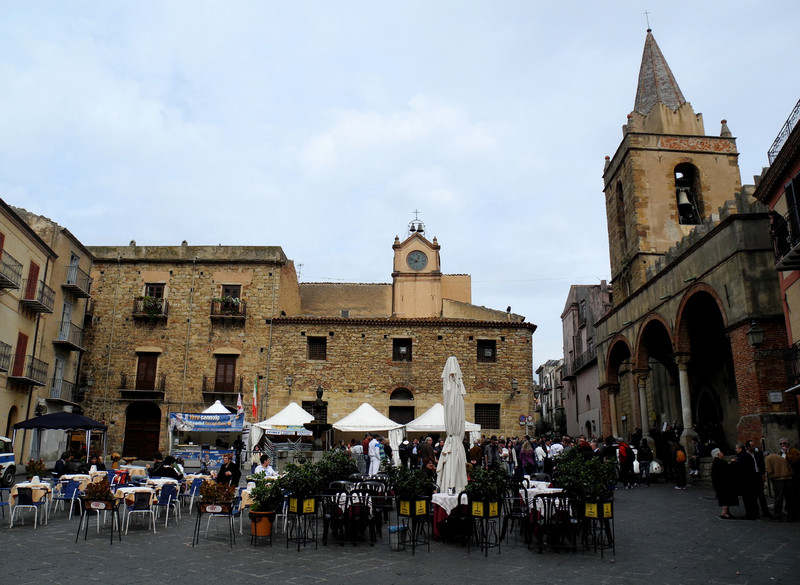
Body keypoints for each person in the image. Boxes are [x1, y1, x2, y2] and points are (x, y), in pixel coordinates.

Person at [733, 442, 759, 519]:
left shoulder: (743, 456)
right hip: (749, 480)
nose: (735, 450)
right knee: (751, 499)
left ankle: (751, 514)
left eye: (736, 448)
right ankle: (753, 513)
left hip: (747, 482)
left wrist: (734, 463)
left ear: (740, 448)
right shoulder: (745, 456)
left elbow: (740, 468)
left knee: (748, 499)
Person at [746, 440, 772, 518]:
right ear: (748, 447)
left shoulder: (758, 454)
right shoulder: (745, 456)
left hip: (758, 476)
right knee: (753, 496)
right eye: (752, 446)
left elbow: (762, 464)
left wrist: (763, 474)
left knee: (761, 495)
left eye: (754, 446)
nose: (754, 447)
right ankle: (755, 512)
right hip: (751, 477)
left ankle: (765, 512)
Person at [765, 449, 793, 521]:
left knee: (778, 498)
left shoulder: (768, 458)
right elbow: (789, 468)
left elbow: (769, 470)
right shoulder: (780, 457)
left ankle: (777, 516)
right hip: (787, 478)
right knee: (789, 498)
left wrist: (772, 477)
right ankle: (791, 516)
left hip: (778, 479)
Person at [711, 448, 738, 519]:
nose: (722, 453)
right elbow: (728, 470)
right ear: (718, 454)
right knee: (725, 498)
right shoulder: (720, 462)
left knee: (724, 498)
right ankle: (724, 513)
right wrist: (733, 463)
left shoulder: (716, 462)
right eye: (721, 452)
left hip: (720, 484)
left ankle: (726, 512)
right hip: (723, 484)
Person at [780, 437, 800, 521]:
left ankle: (795, 514)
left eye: (784, 443)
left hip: (794, 477)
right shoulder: (781, 453)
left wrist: (786, 453)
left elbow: (795, 461)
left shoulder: (794, 451)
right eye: (781, 444)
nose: (782, 445)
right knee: (788, 496)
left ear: (788, 444)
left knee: (794, 496)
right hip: (785, 477)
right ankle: (790, 514)